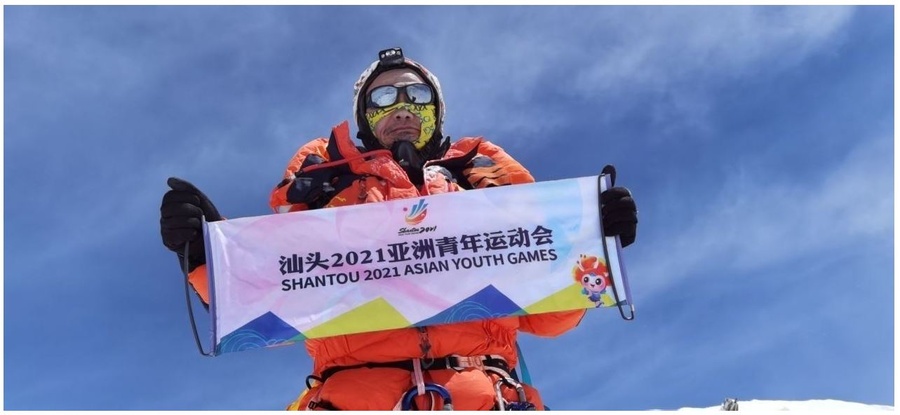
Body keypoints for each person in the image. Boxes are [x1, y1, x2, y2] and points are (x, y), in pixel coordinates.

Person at [160, 47, 638, 410]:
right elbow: (278, 291)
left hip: (484, 393)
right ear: (365, 116)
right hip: (351, 395)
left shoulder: (483, 176)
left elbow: (545, 315)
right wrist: (207, 259)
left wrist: (593, 246)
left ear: (436, 110)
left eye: (417, 95)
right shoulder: (320, 183)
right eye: (384, 97)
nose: (403, 107)